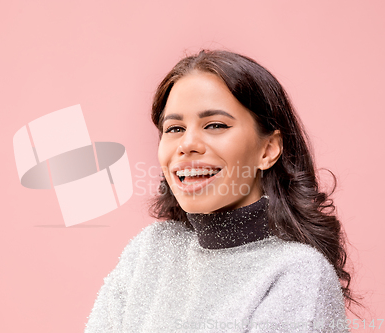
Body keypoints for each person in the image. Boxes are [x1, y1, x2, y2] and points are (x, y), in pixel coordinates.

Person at [85, 49, 361, 332]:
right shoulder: (148, 251)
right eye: (174, 128)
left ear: (268, 149)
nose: (187, 144)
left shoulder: (297, 274)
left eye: (215, 125)